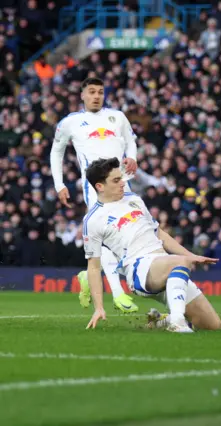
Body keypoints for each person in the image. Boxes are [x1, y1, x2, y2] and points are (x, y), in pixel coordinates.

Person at [82, 158, 221, 333]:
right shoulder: (93, 219)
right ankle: (177, 322)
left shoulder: (134, 199)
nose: (123, 183)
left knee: (213, 325)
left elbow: (159, 233)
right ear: (100, 186)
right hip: (139, 267)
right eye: (116, 180)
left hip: (163, 264)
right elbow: (94, 267)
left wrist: (192, 256)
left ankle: (160, 321)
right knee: (181, 262)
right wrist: (99, 308)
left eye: (122, 178)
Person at [50, 77, 141, 313]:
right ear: (82, 95)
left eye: (100, 91)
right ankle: (118, 293)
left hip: (123, 185)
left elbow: (131, 141)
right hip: (96, 188)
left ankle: (88, 277)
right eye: (91, 92)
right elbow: (56, 152)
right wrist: (59, 184)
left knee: (131, 234)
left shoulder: (117, 117)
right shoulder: (71, 122)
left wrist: (133, 158)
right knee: (107, 235)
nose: (96, 96)